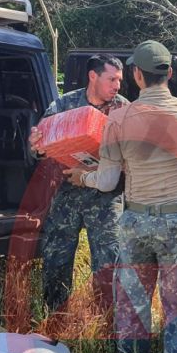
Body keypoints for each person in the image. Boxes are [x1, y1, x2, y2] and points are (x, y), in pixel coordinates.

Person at [65, 40, 177, 353]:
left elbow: (107, 181)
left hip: (135, 220)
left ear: (137, 74)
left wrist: (82, 176)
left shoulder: (119, 118)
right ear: (169, 73)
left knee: (132, 304)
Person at [34, 54, 129, 311]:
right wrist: (37, 145)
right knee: (56, 258)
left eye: (119, 80)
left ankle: (106, 321)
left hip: (106, 198)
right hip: (67, 194)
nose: (117, 86)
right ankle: (55, 317)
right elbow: (41, 143)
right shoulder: (65, 105)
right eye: (112, 79)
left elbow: (135, 157)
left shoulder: (124, 110)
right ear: (93, 76)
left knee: (109, 262)